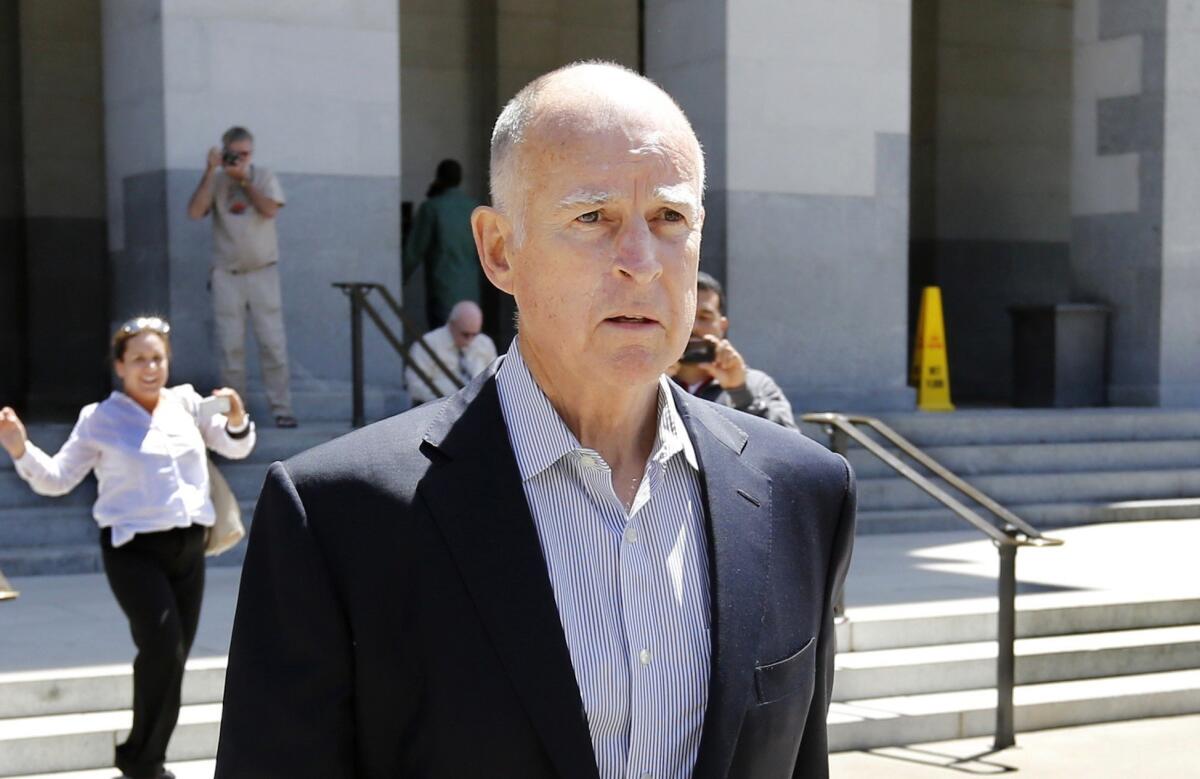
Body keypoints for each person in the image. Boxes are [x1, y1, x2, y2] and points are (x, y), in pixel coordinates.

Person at [216, 62, 854, 779]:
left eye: (670, 218)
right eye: (593, 217)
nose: (641, 262)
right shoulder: (337, 518)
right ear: (498, 250)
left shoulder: (804, 493)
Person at [0, 316, 255, 779]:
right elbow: (58, 479)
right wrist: (20, 449)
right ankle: (144, 761)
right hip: (133, 549)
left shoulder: (186, 406)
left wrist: (237, 420)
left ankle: (148, 757)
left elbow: (236, 449)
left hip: (189, 546)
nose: (150, 367)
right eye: (138, 358)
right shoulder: (99, 419)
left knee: (175, 656)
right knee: (161, 647)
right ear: (120, 366)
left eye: (157, 357)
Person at [186, 126, 297, 428]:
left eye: (245, 154)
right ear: (223, 152)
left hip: (262, 271)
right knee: (229, 347)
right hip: (227, 274)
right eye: (234, 154)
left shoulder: (263, 176)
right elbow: (195, 212)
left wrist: (244, 180)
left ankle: (282, 408)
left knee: (272, 344)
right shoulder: (217, 180)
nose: (240, 159)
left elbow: (270, 209)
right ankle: (234, 414)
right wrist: (211, 171)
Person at [672, 271, 799, 430]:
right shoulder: (643, 381)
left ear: (722, 326)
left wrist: (740, 393)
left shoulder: (757, 385)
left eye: (705, 317)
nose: (693, 327)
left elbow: (787, 448)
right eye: (685, 316)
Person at [403, 158, 483, 329]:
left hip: (443, 291)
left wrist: (397, 279)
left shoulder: (432, 208)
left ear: (438, 178)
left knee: (442, 344)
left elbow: (413, 252)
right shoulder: (474, 208)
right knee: (469, 344)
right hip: (471, 291)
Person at [404, 300, 497, 405]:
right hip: (437, 409)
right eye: (465, 334)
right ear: (452, 324)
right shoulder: (428, 344)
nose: (470, 340)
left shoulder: (484, 343)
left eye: (474, 334)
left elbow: (493, 379)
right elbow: (415, 386)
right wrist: (443, 401)